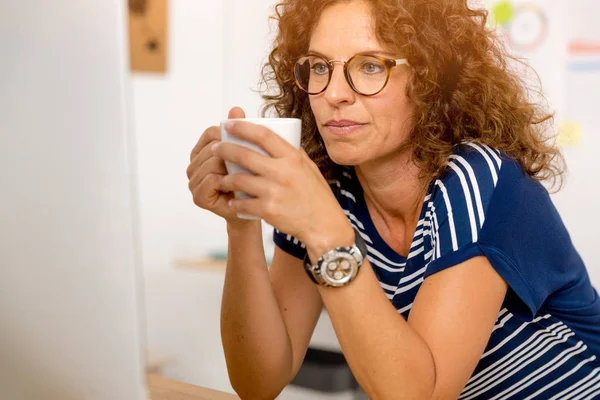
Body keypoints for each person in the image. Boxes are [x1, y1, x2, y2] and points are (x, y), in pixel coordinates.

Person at [187, 0, 600, 398]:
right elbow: (259, 383)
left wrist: (326, 232)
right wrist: (242, 223)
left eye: (369, 66)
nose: (334, 94)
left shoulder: (478, 180)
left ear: (430, 79)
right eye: (318, 67)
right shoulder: (330, 190)